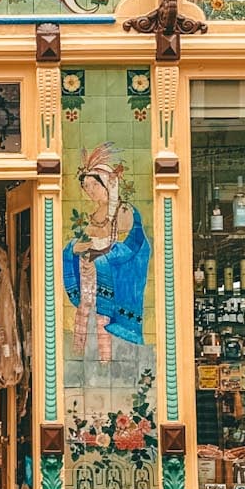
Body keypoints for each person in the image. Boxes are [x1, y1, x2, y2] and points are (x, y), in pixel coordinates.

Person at [63, 141, 151, 363]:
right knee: (84, 314)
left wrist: (100, 259)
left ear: (107, 184)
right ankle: (79, 360)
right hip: (88, 275)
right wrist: (74, 249)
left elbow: (131, 245)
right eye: (86, 187)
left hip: (108, 275)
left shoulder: (123, 211)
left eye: (93, 185)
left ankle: (106, 362)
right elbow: (80, 242)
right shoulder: (93, 215)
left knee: (104, 317)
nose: (90, 191)